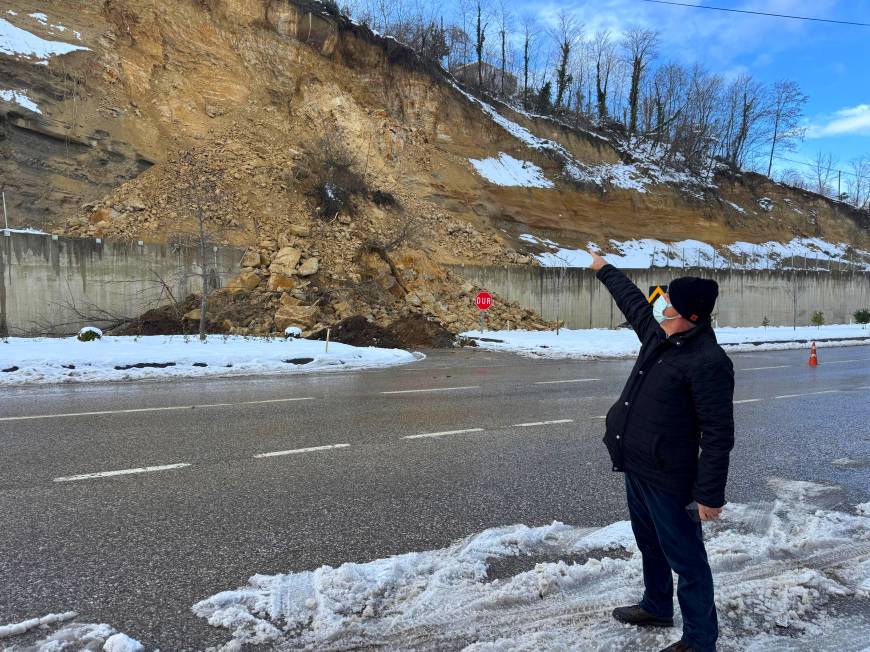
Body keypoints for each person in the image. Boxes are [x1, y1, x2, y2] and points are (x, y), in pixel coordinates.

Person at [588, 249, 734, 652]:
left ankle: (701, 640)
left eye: (669, 309)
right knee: (649, 544)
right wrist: (604, 269)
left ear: (694, 319)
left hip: (672, 478)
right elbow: (633, 300)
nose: (661, 312)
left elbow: (719, 434)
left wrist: (709, 494)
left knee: (687, 561)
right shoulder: (659, 335)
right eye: (664, 305)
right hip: (638, 466)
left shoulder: (709, 362)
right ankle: (656, 605)